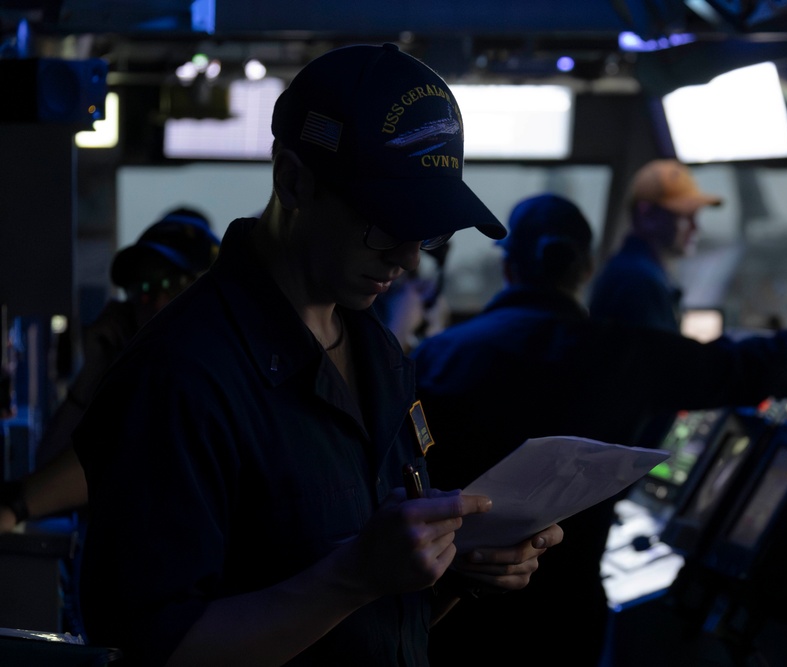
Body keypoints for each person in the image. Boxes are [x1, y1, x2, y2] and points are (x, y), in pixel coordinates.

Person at [73, 43, 562, 666]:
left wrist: (449, 572)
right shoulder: (179, 379)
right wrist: (353, 576)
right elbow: (146, 652)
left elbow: (372, 627)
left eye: (429, 232)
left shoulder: (377, 349)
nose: (409, 258)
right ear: (293, 180)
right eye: (386, 224)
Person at [412, 193, 787, 667]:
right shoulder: (622, 353)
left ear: (508, 265)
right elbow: (741, 367)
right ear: (586, 269)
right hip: (566, 615)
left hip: (451, 606)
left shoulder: (435, 357)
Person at [0, 207, 220, 534]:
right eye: (141, 289)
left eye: (169, 284)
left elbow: (123, 458)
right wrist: (94, 369)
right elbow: (49, 465)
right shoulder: (131, 382)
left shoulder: (210, 382)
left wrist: (14, 507)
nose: (153, 302)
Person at [588, 158, 723, 449]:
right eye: (684, 215)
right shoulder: (637, 282)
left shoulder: (635, 272)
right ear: (647, 214)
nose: (695, 227)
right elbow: (661, 378)